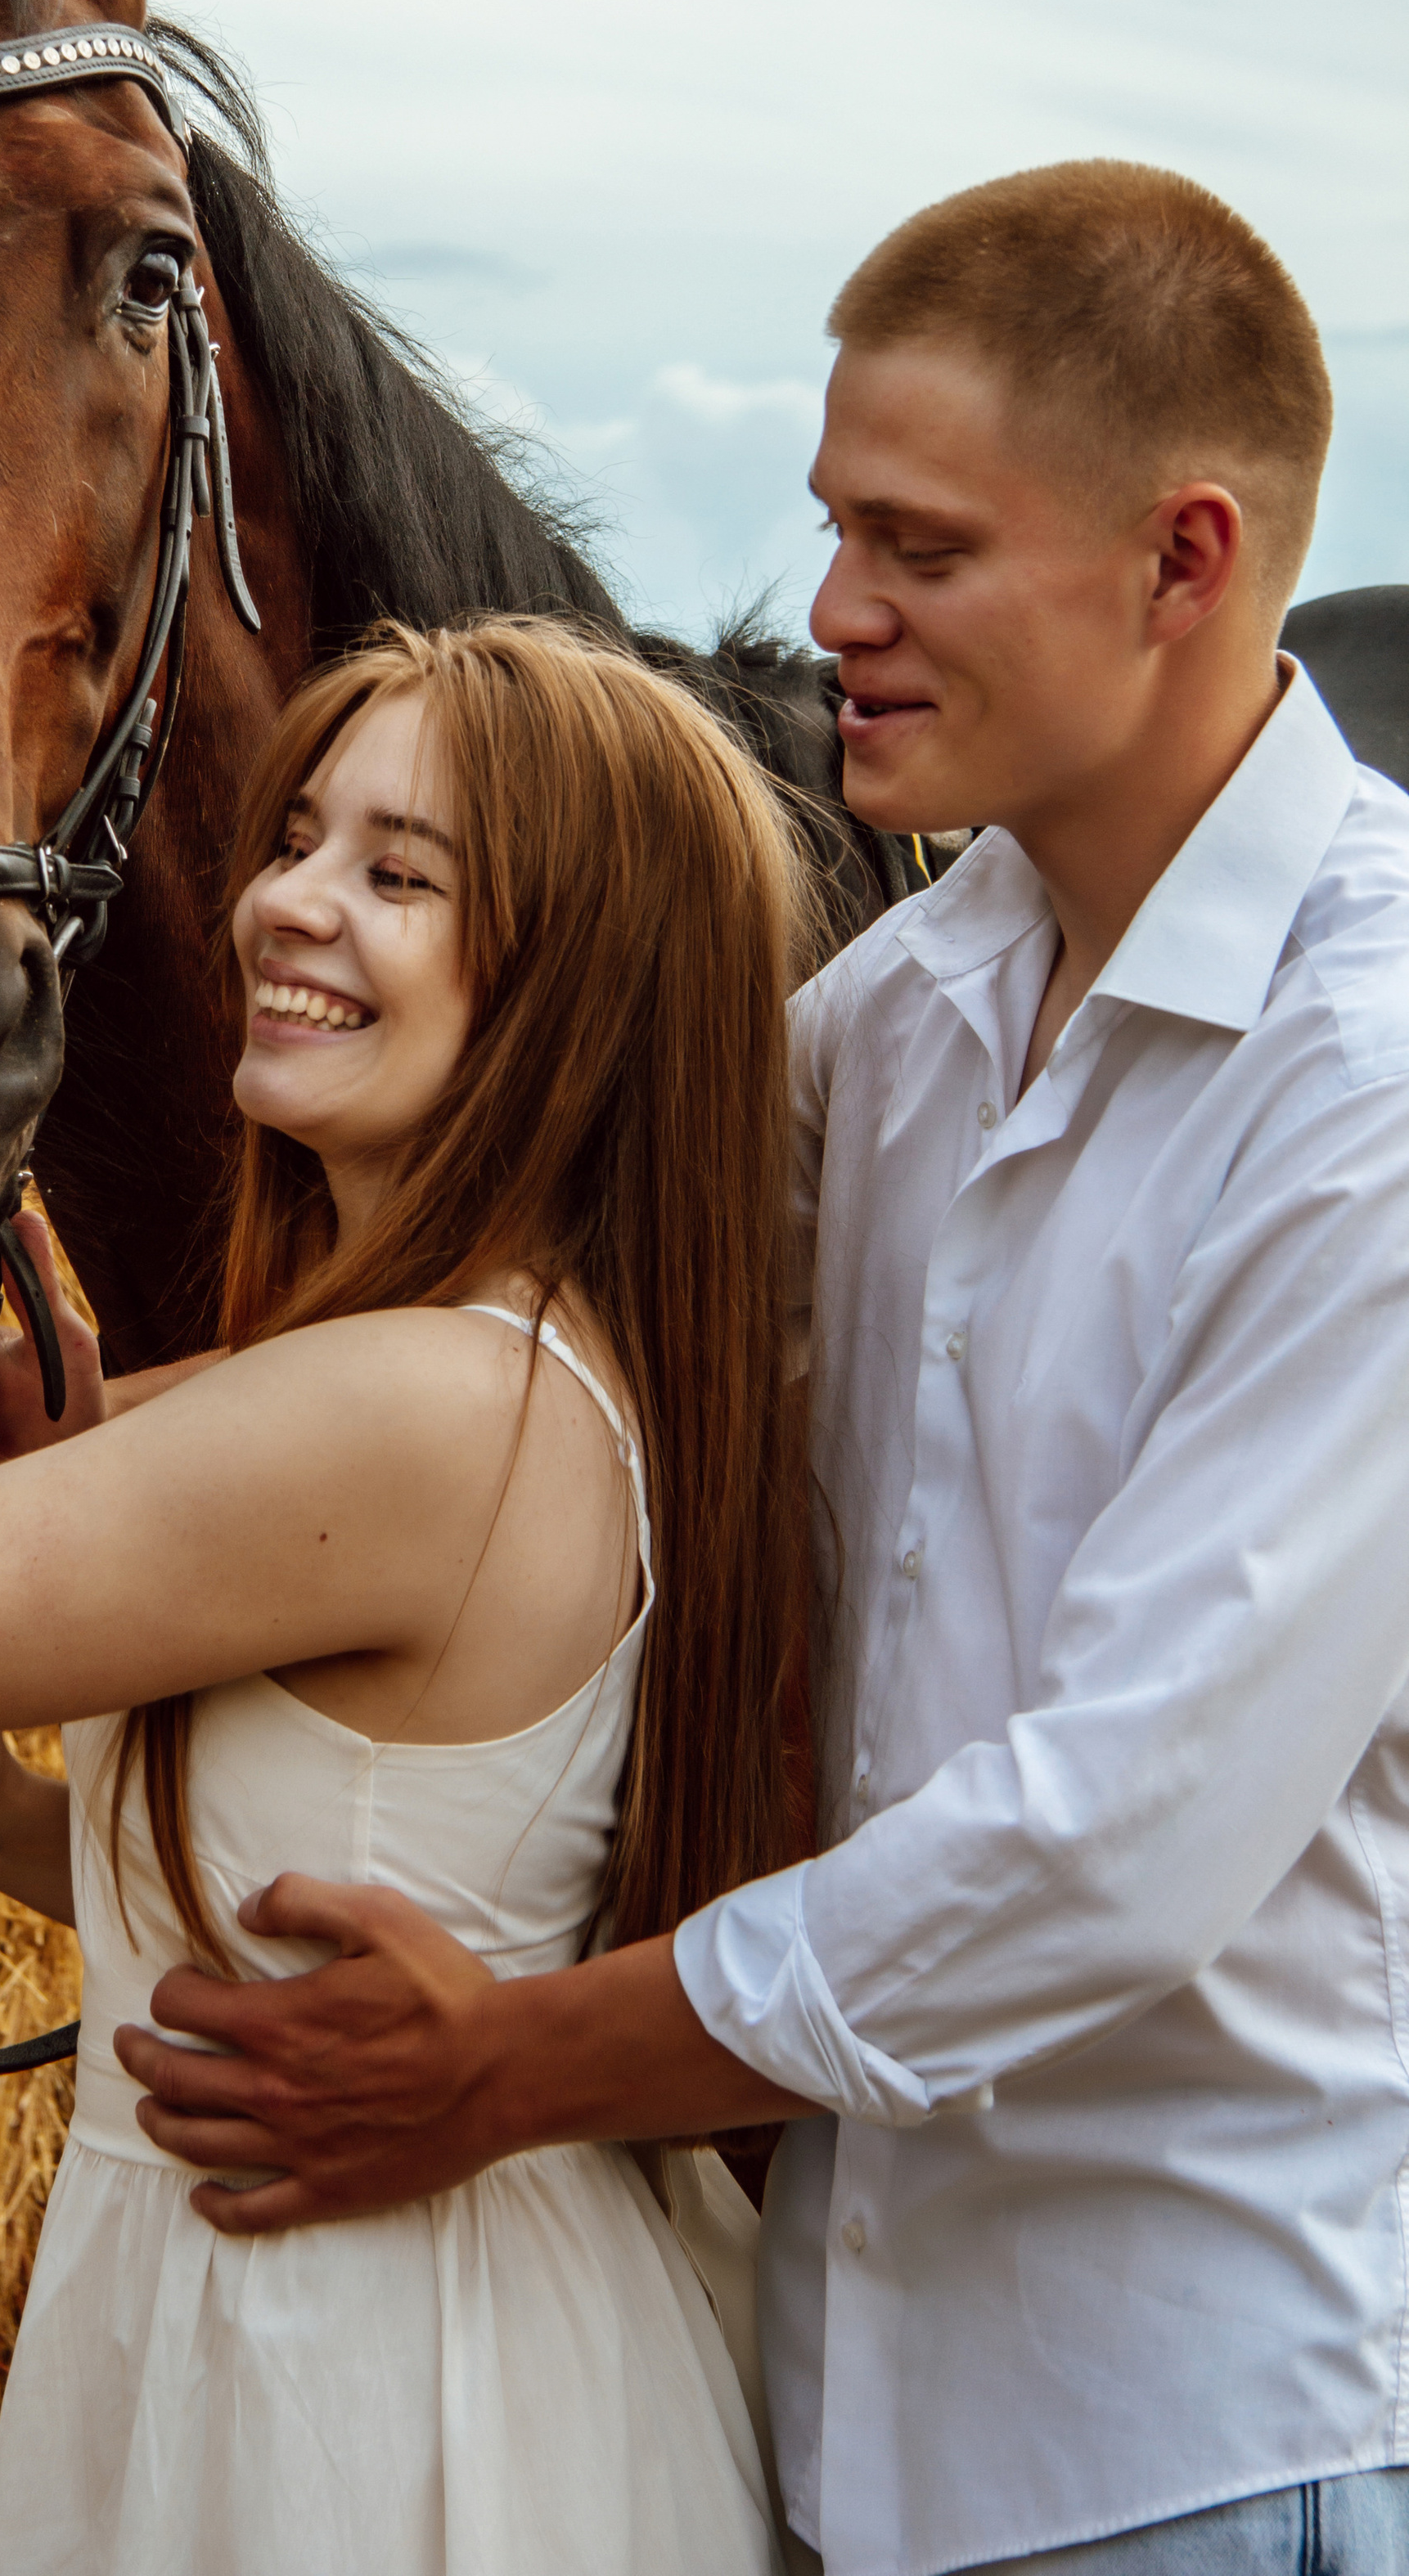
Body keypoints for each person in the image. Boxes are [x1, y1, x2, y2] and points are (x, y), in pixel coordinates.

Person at [89, 162, 1409, 2576]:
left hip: (1196, 2451)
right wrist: (82, 1451)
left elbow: (1119, 1843)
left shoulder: (1373, 1087)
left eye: (917, 549)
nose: (832, 618)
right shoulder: (901, 1017)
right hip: (823, 2407)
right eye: (833, 531)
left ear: (1183, 559)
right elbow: (548, 1345)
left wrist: (509, 2071)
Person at [0, 613, 820, 2576]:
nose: (287, 907)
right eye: (302, 837)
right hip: (309, 2331)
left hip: (365, 2401)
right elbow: (250, 1935)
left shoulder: (424, 1407)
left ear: (571, 993)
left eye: (399, 876)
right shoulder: (479, 1361)